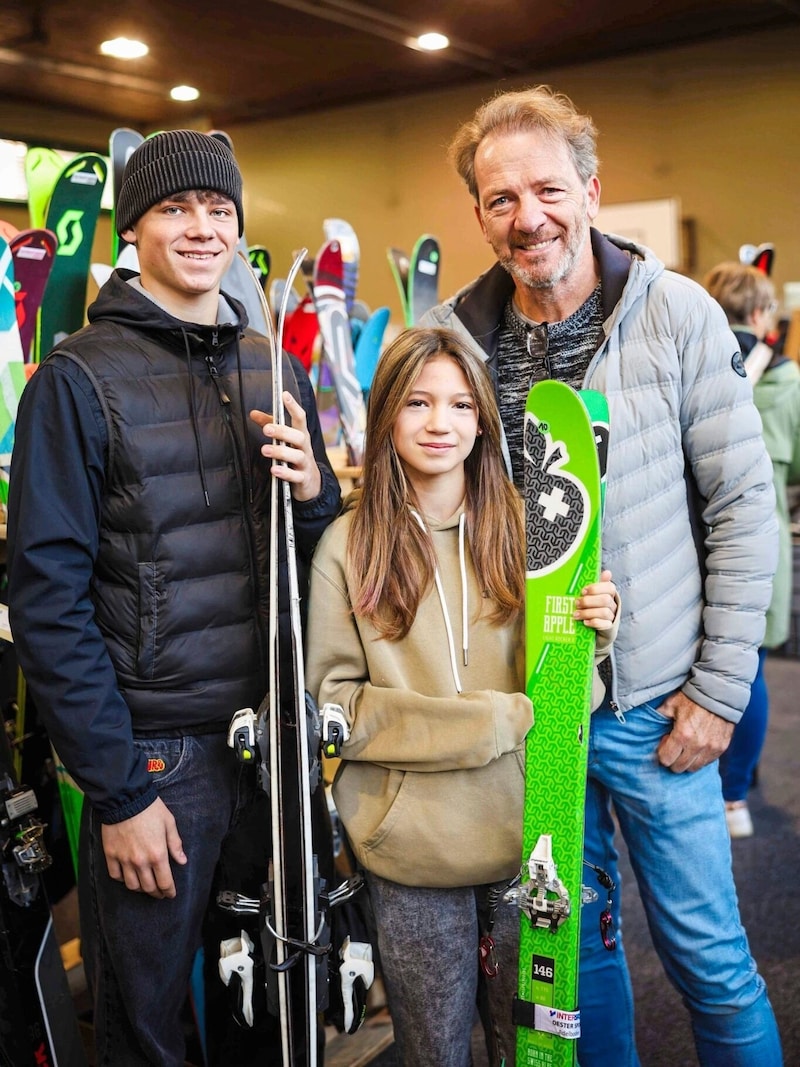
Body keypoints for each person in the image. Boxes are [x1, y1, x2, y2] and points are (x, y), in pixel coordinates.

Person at [421, 85, 783, 1065]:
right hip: (537, 710)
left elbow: (744, 508)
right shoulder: (459, 334)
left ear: (588, 188)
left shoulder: (674, 316)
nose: (525, 217)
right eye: (498, 199)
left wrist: (716, 689)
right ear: (478, 213)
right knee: (570, 956)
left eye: (544, 189)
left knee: (708, 955)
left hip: (657, 706)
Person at [6, 130, 341, 1066]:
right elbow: (46, 601)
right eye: (176, 209)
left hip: (267, 746)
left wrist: (317, 495)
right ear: (133, 228)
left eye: (220, 210)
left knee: (264, 1008)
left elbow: (325, 561)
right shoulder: (76, 379)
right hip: (155, 761)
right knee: (147, 1026)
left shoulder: (273, 366)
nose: (203, 228)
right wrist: (116, 793)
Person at [305, 326, 619, 1066]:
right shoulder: (348, 548)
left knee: (532, 1046)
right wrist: (484, 723)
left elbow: (572, 698)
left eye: (457, 404)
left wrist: (593, 641)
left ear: (482, 419)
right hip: (411, 851)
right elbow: (335, 704)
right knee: (432, 1047)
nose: (439, 422)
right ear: (386, 416)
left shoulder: (529, 525)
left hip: (527, 841)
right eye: (417, 403)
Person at [704, 261, 800, 837]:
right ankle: (733, 799)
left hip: (700, 543)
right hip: (762, 544)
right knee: (749, 666)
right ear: (761, 315)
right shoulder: (788, 383)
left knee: (704, 666)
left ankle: (714, 784)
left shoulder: (700, 365)